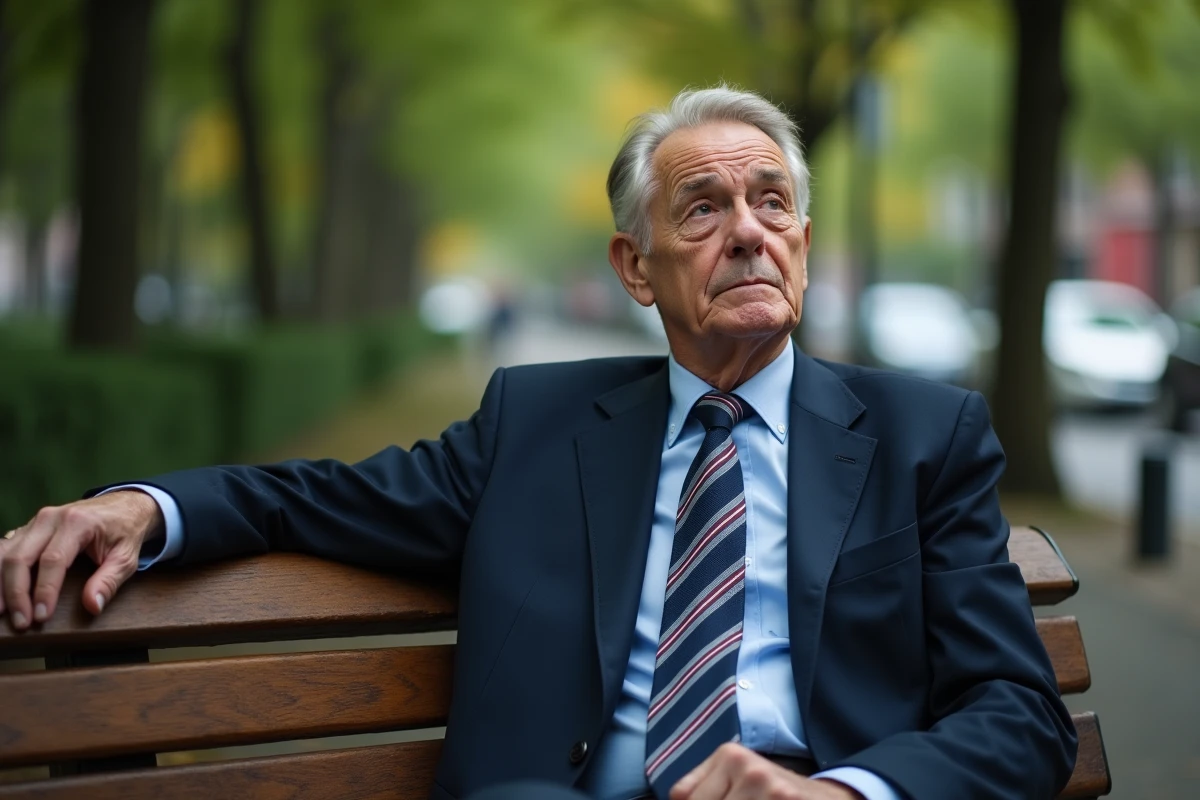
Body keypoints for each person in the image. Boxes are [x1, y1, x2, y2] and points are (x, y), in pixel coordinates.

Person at [0, 86, 1076, 800]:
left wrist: (842, 791)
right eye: (701, 209)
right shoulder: (534, 425)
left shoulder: (922, 435)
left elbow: (1021, 715)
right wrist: (141, 505)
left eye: (772, 201)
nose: (749, 229)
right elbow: (308, 497)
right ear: (633, 267)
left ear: (801, 234)